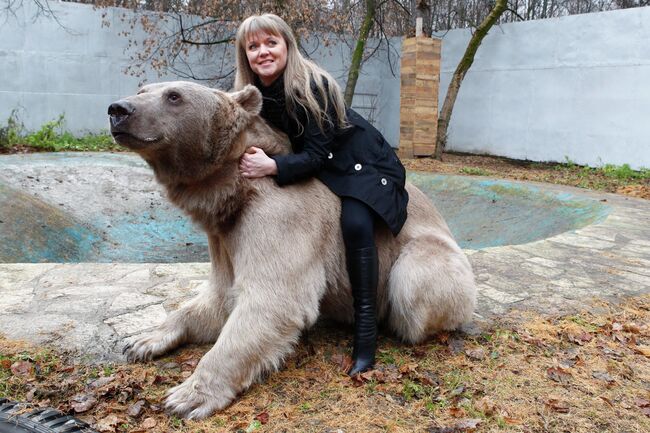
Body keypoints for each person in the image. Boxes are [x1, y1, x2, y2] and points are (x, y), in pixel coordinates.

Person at [235, 14, 409, 376]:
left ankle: (365, 335)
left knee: (356, 223)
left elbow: (315, 156)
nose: (263, 52)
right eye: (253, 47)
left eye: (271, 43)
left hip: (360, 162)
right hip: (324, 164)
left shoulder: (313, 85)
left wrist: (273, 167)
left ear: (287, 46)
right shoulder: (254, 96)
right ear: (245, 56)